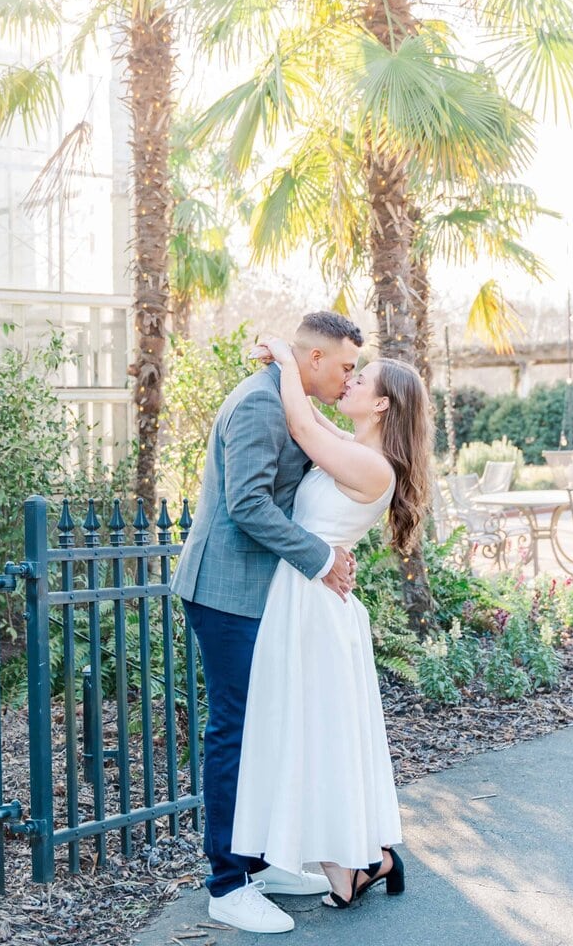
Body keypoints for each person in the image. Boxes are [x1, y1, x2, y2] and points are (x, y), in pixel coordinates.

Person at [170, 311, 364, 934]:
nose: (349, 377)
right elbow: (248, 503)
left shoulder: (285, 392)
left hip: (260, 595)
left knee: (268, 731)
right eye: (345, 366)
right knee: (237, 732)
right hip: (227, 593)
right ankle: (228, 885)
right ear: (314, 360)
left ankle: (261, 864)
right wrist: (321, 558)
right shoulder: (258, 405)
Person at [231, 335, 432, 915]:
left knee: (316, 732)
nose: (349, 383)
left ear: (382, 405)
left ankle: (361, 861)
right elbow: (313, 425)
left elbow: (300, 425)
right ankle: (358, 861)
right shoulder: (356, 447)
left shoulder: (373, 466)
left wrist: (287, 359)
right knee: (310, 732)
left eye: (360, 379)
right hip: (304, 601)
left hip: (315, 611)